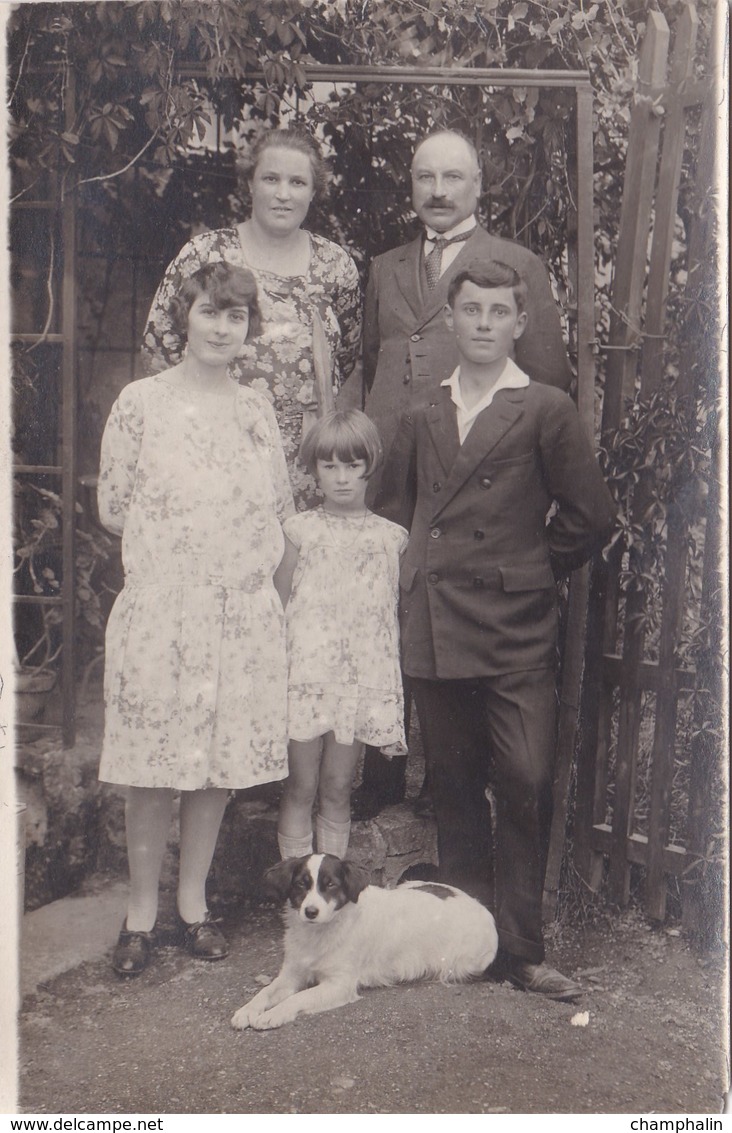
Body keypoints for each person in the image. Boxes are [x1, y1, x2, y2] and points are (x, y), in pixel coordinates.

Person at [376, 261, 617, 1001]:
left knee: (525, 778)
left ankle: (525, 951)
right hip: (437, 626)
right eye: (470, 309)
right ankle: (472, 945)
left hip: (514, 629)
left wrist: (527, 570)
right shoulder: (420, 413)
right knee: (451, 784)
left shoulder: (544, 406)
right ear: (451, 319)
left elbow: (590, 517)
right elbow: (393, 515)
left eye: (498, 312)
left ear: (519, 323)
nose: (482, 323)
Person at [341, 127, 574, 819]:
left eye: (452, 178)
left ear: (479, 187)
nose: (437, 192)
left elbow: (548, 379)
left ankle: (444, 782)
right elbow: (373, 361)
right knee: (390, 612)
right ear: (411, 186)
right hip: (389, 474)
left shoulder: (515, 263)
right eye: (424, 178)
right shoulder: (383, 266)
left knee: (449, 613)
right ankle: (384, 772)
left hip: (468, 476)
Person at [98, 262, 295, 977]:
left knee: (215, 766)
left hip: (237, 612)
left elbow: (277, 507)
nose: (221, 327)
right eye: (210, 312)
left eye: (235, 316)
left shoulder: (255, 408)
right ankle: (140, 914)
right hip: (164, 608)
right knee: (152, 767)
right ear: (185, 317)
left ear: (248, 330)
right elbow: (113, 505)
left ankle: (193, 906)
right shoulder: (141, 402)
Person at [141, 127, 362, 510]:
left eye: (297, 182)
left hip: (306, 453)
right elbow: (159, 347)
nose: (283, 193)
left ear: (314, 191)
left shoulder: (335, 266)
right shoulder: (207, 254)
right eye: (270, 179)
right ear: (250, 184)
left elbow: (348, 356)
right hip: (217, 443)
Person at [273, 410, 408, 862]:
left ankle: (329, 891)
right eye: (329, 466)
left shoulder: (391, 539)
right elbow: (280, 603)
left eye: (352, 466)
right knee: (301, 785)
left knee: (335, 787)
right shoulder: (299, 531)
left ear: (370, 466)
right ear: (314, 470)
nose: (342, 478)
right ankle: (298, 886)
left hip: (354, 685)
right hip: (306, 680)